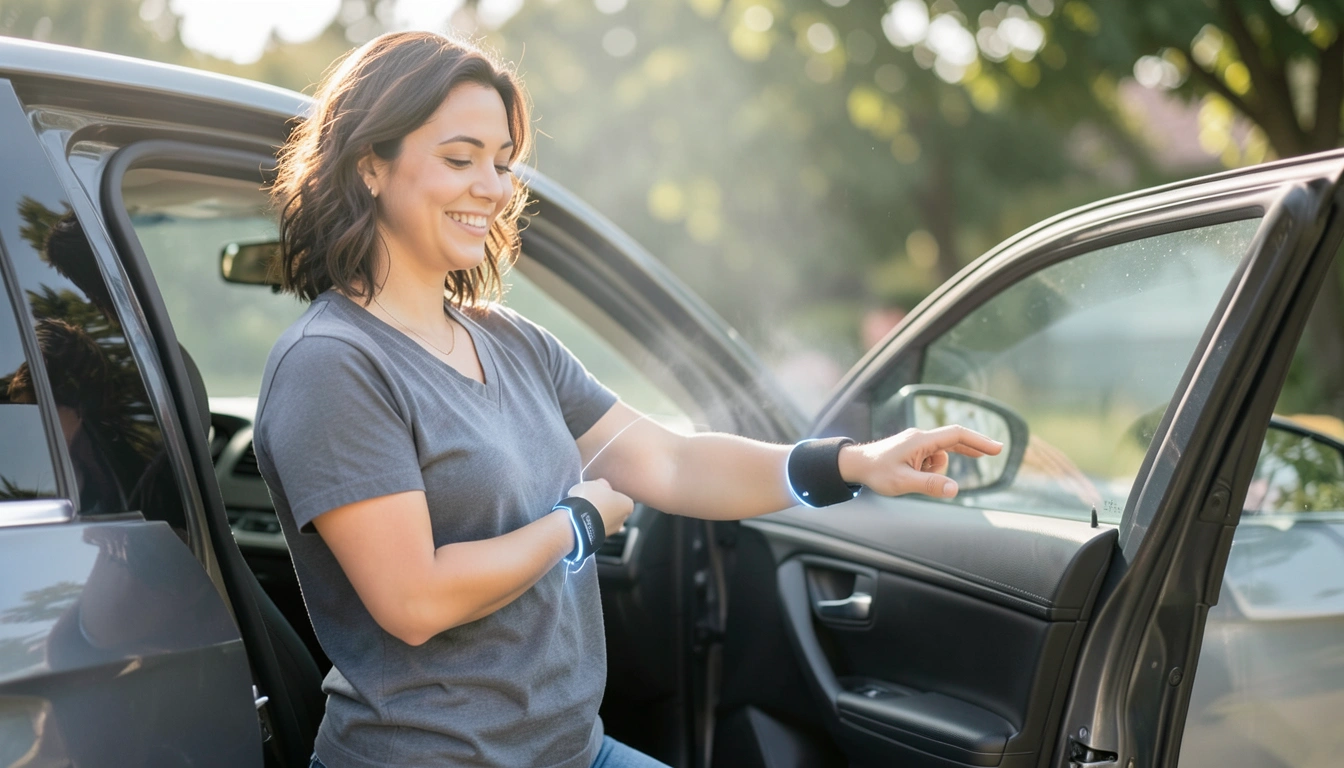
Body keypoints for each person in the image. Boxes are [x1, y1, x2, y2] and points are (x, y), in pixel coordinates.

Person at [254, 31, 1002, 768]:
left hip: (573, 752)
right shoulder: (334, 365)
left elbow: (673, 464)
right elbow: (414, 601)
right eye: (460, 158)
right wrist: (575, 523)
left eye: (503, 162)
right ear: (369, 167)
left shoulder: (512, 342)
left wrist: (854, 463)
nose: (493, 186)